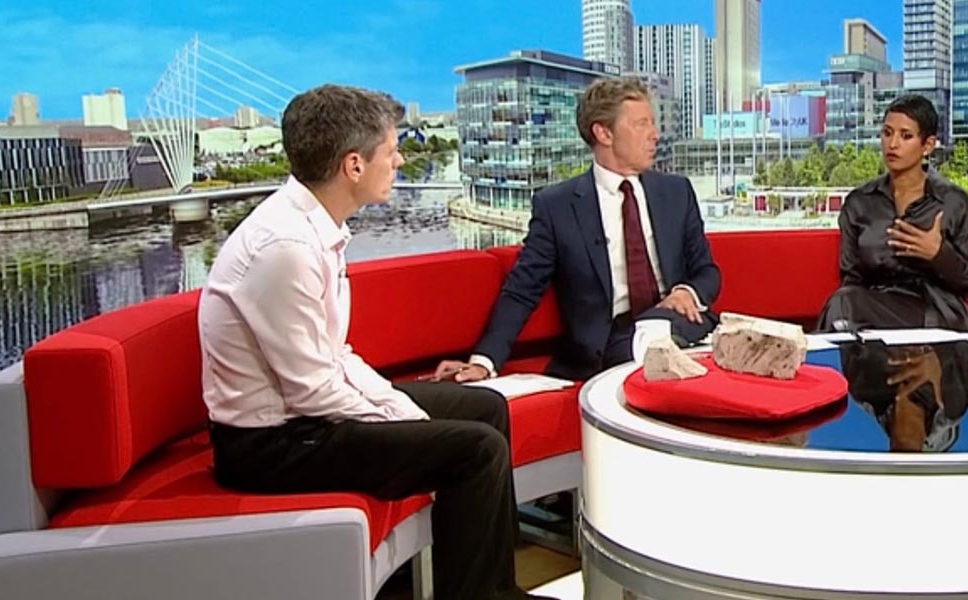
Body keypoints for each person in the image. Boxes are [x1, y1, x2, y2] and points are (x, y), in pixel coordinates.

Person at [197, 84, 552, 600]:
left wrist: (396, 403)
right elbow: (311, 392)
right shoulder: (285, 248)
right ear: (354, 165)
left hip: (306, 415)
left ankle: (492, 583)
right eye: (391, 151)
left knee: (484, 408)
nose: (401, 159)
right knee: (475, 450)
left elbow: (335, 355)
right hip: (271, 443)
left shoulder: (316, 227)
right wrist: (402, 418)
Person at [433, 77, 721, 383]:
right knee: (639, 348)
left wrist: (685, 291)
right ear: (604, 133)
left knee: (667, 336)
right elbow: (522, 290)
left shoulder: (676, 192)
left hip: (678, 325)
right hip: (605, 349)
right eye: (641, 124)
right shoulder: (557, 206)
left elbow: (707, 272)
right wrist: (483, 361)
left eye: (653, 123)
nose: (654, 134)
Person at [817, 94, 968, 332]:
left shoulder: (951, 202)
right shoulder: (860, 203)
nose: (892, 144)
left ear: (927, 145)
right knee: (845, 304)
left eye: (905, 136)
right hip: (873, 314)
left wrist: (938, 254)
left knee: (844, 305)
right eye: (887, 133)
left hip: (936, 316)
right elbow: (851, 279)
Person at [840, 341, 968, 452]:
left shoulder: (864, 390)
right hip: (938, 307)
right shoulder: (952, 404)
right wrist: (939, 357)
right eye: (914, 461)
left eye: (898, 457)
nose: (905, 456)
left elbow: (839, 316)